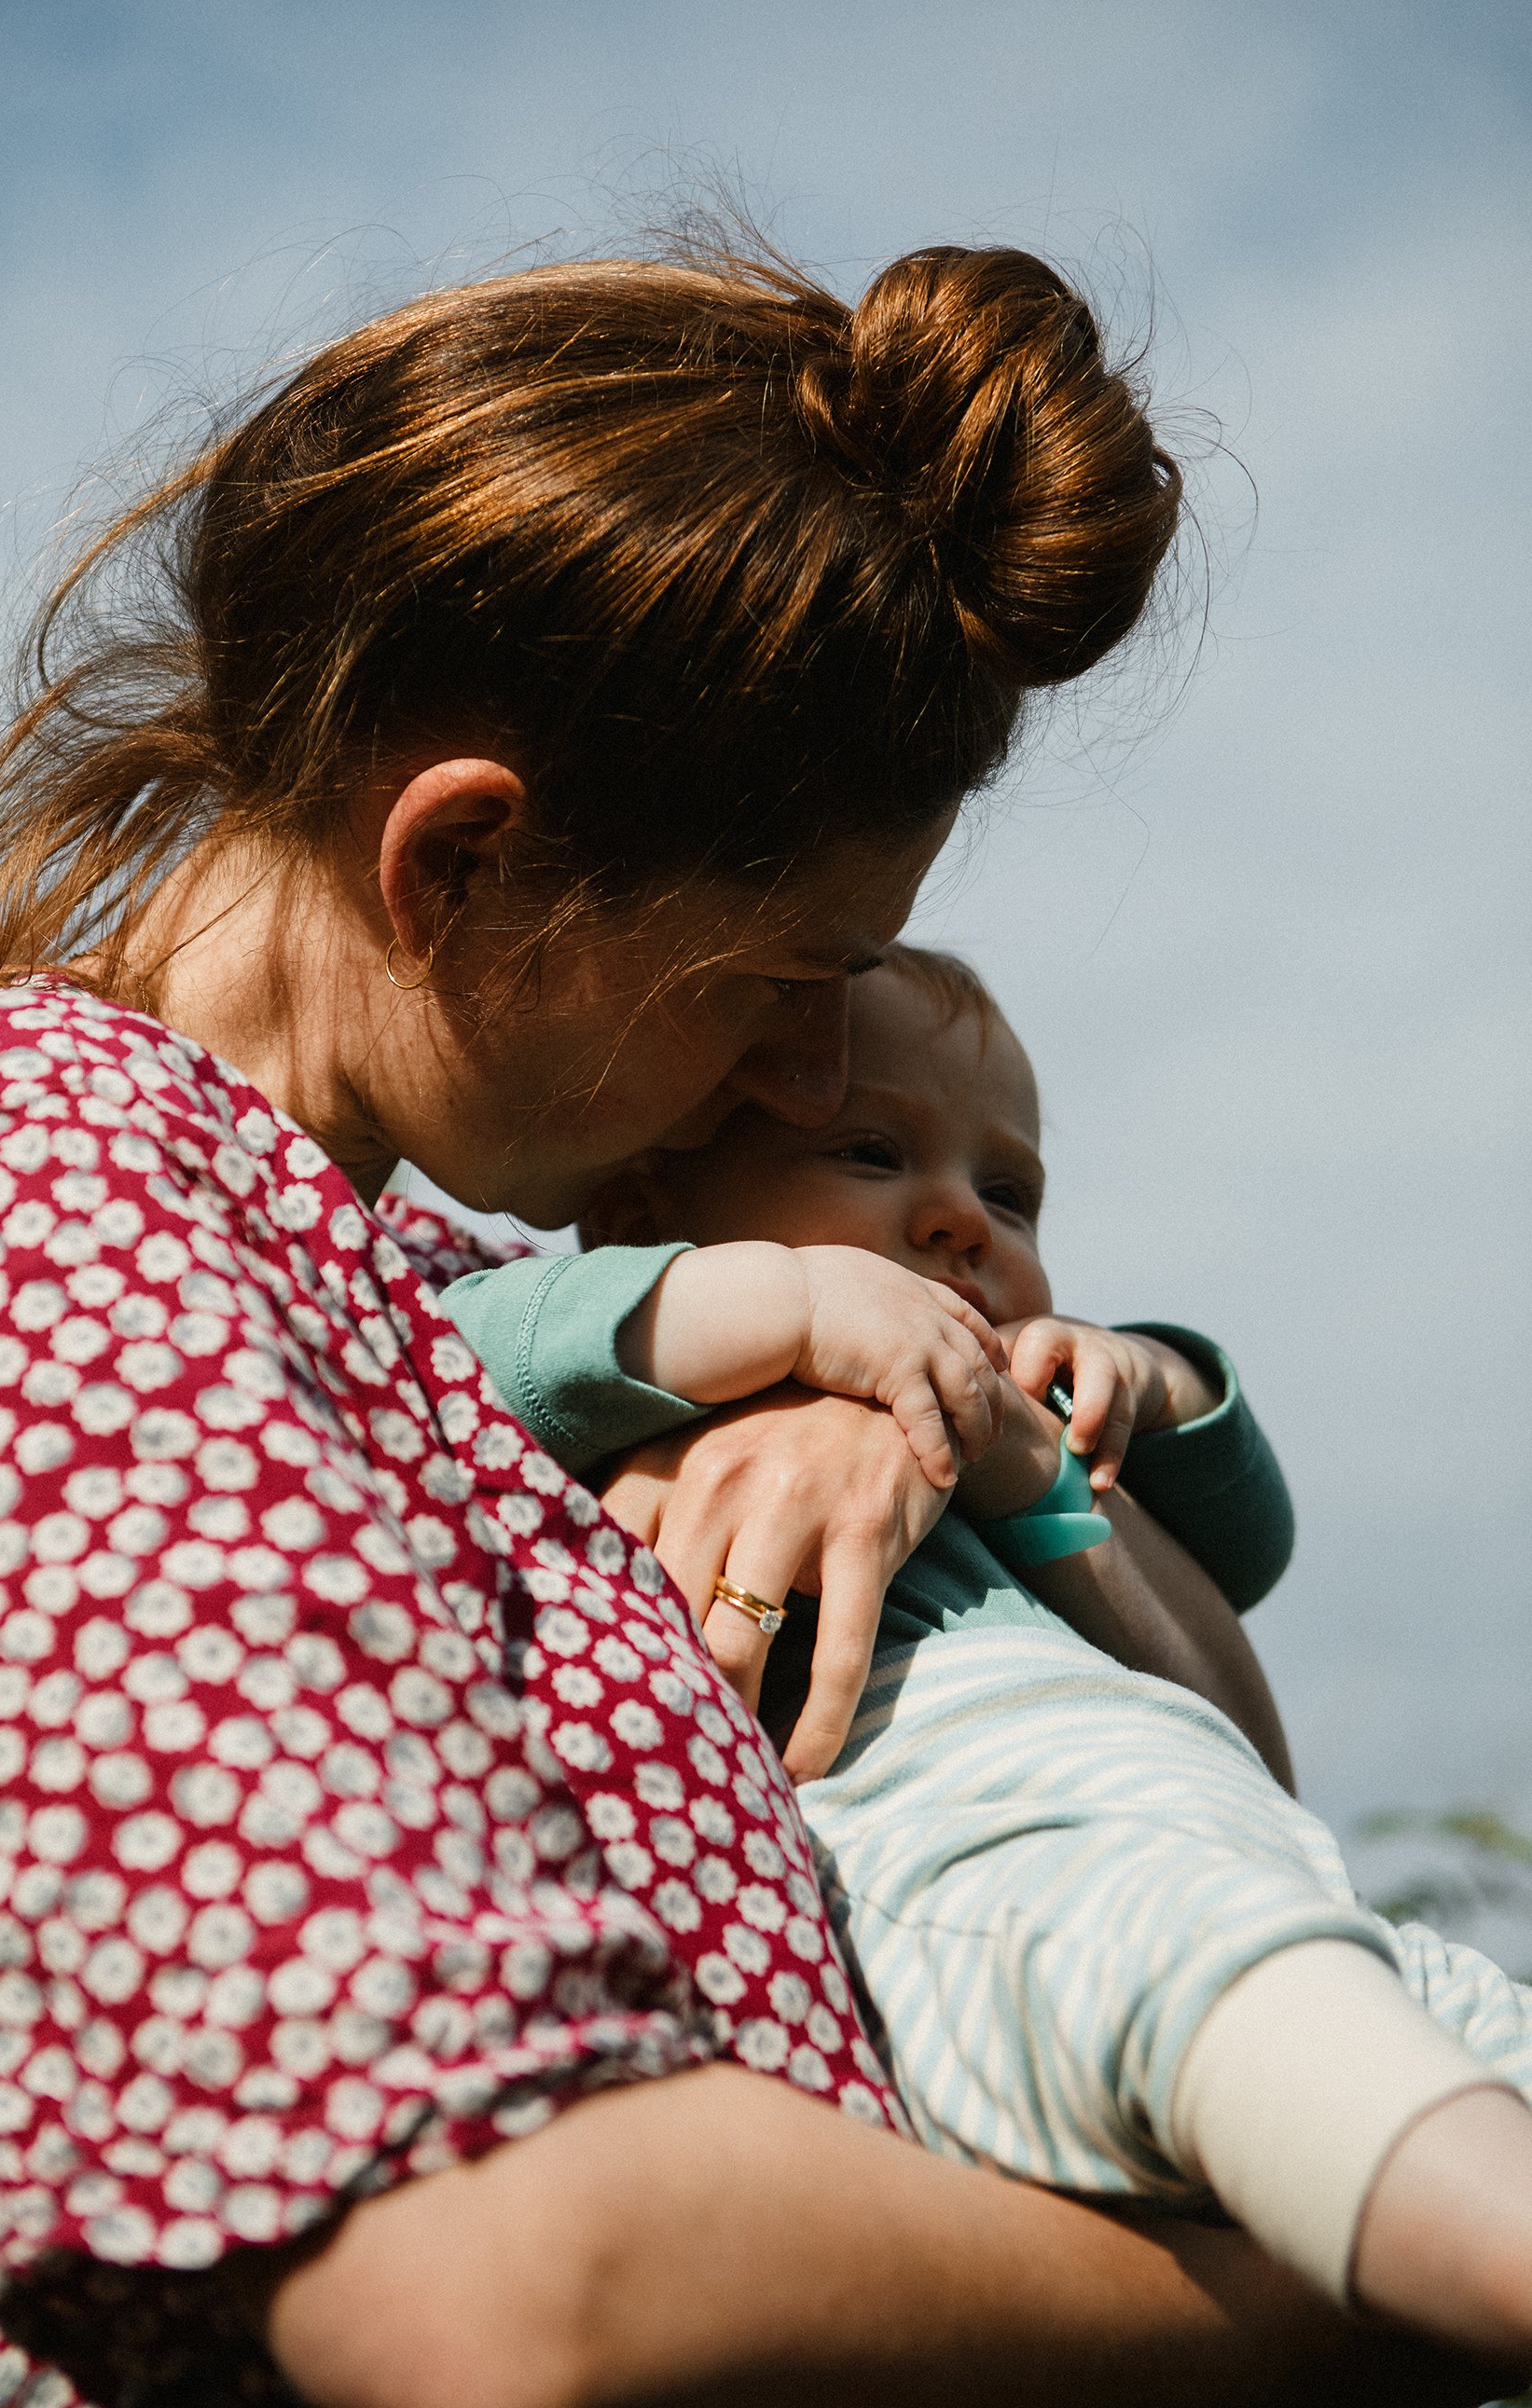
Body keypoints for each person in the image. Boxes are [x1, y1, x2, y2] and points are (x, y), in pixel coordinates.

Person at [0, 234, 1506, 2408]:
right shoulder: (35, 1177)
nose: (812, 1090)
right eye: (779, 982)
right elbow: (494, 2286)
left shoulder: (438, 1298)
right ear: (457, 863)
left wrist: (943, 1434)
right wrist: (1331, 2288)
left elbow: (1196, 1793)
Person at [439, 941, 1532, 2362]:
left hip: (1238, 1868)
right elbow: (457, 1355)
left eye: (1008, 1189)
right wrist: (785, 1304)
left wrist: (1155, 1374)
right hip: (984, 1862)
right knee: (1288, 2040)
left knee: (1457, 2039)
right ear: (647, 1192)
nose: (958, 1216)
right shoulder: (635, 1360)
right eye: (870, 1150)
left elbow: (1245, 1532)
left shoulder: (1016, 1415)